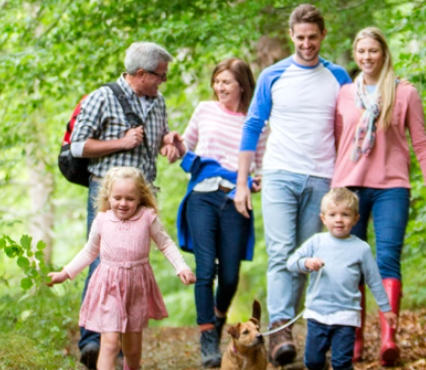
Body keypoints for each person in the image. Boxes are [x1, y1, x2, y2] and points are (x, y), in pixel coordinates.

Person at [234, 4, 351, 366]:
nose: (306, 44)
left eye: (312, 37)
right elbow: (252, 126)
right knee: (282, 253)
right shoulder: (273, 75)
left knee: (304, 258)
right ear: (290, 36)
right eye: (300, 38)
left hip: (323, 177)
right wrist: (241, 182)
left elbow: (352, 125)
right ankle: (281, 328)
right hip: (280, 174)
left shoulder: (339, 77)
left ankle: (285, 328)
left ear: (323, 35)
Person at [332, 27, 426, 365]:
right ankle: (354, 336)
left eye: (373, 51)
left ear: (384, 53)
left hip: (392, 188)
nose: (367, 56)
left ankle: (388, 338)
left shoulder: (404, 92)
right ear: (355, 54)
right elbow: (336, 144)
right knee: (351, 265)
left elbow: (421, 145)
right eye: (361, 51)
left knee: (387, 261)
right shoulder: (344, 94)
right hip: (348, 188)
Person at [69, 41, 183, 369]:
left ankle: (122, 335)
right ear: (142, 73)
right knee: (103, 261)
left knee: (134, 264)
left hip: (143, 196)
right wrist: (121, 142)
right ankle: (94, 341)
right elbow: (77, 146)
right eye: (160, 76)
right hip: (108, 196)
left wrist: (168, 144)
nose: (163, 82)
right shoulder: (101, 98)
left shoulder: (158, 101)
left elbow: (158, 137)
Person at [47, 167, 196, 370]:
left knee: (133, 351)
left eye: (129, 199)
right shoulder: (102, 220)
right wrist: (65, 273)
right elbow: (89, 252)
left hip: (137, 287)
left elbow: (166, 244)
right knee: (109, 343)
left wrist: (182, 268)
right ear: (108, 196)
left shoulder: (147, 217)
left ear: (140, 197)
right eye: (117, 198)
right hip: (108, 285)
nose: (123, 203)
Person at [173, 58, 268, 368]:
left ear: (242, 85)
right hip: (202, 196)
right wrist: (172, 145)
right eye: (217, 81)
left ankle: (218, 316)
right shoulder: (204, 110)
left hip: (235, 199)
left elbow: (262, 165)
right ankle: (208, 340)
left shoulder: (257, 122)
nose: (219, 87)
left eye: (226, 82)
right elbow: (184, 148)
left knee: (228, 275)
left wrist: (257, 181)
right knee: (205, 269)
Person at [287, 188, 398, 370]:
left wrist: (386, 309)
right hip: (317, 314)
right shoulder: (317, 242)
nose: (339, 219)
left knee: (342, 363)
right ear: (323, 218)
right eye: (333, 214)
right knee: (313, 361)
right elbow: (291, 262)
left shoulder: (361, 248)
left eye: (345, 215)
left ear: (356, 219)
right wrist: (306, 263)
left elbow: (374, 280)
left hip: (346, 316)